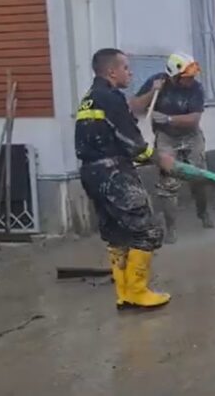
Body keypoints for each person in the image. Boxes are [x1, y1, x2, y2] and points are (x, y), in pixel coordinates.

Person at [75, 48, 176, 310]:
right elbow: (132, 143)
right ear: (111, 71)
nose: (130, 73)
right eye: (126, 68)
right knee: (147, 231)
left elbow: (106, 136)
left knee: (116, 234)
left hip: (92, 174)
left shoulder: (89, 98)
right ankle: (138, 291)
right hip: (114, 174)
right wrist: (159, 158)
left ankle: (124, 294)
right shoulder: (111, 98)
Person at [130, 52, 213, 245]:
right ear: (174, 76)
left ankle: (203, 212)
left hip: (191, 136)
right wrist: (152, 92)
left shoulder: (196, 88)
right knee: (168, 184)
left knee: (199, 177)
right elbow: (134, 107)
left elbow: (194, 119)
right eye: (186, 77)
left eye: (192, 76)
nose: (191, 80)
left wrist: (168, 118)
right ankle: (171, 228)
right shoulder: (157, 82)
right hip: (166, 138)